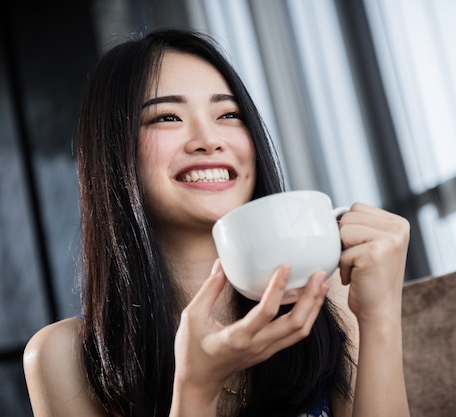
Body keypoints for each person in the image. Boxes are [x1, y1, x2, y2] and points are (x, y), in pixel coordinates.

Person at [22, 28, 410, 417]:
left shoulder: (328, 299)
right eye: (167, 117)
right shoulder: (60, 356)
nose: (209, 139)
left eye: (228, 114)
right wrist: (196, 389)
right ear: (113, 151)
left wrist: (380, 315)